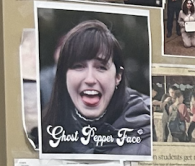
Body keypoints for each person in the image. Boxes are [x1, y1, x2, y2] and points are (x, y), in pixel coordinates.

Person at [41, 18, 151, 156]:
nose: (90, 79)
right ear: (63, 75)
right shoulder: (45, 130)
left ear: (118, 76)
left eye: (101, 67)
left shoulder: (151, 132)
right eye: (78, 66)